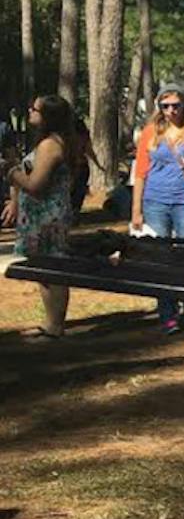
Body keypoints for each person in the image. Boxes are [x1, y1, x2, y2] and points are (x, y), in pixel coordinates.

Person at [131, 83, 184, 333]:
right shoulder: (149, 133)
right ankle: (168, 312)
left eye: (175, 105)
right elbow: (141, 172)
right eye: (165, 106)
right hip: (155, 201)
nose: (170, 111)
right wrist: (136, 210)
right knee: (161, 257)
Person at [3, 95, 82, 339]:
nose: (30, 111)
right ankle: (51, 323)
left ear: (48, 116)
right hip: (44, 213)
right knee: (45, 269)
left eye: (34, 109)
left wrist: (10, 172)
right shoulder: (57, 142)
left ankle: (55, 326)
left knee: (52, 269)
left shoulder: (50, 145)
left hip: (46, 217)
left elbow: (36, 184)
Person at [70, 112, 105, 216]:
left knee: (75, 190)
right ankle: (75, 211)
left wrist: (98, 165)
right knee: (79, 190)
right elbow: (90, 152)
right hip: (81, 166)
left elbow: (89, 151)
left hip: (77, 166)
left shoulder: (71, 138)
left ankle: (73, 212)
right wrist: (98, 165)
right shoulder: (83, 138)